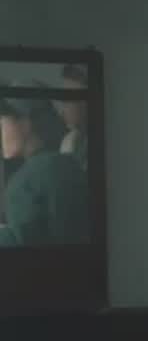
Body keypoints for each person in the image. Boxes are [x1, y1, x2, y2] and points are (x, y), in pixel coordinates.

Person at [0, 95, 88, 246]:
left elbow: (26, 248)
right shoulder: (67, 163)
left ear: (25, 124)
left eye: (1, 123)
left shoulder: (24, 182)